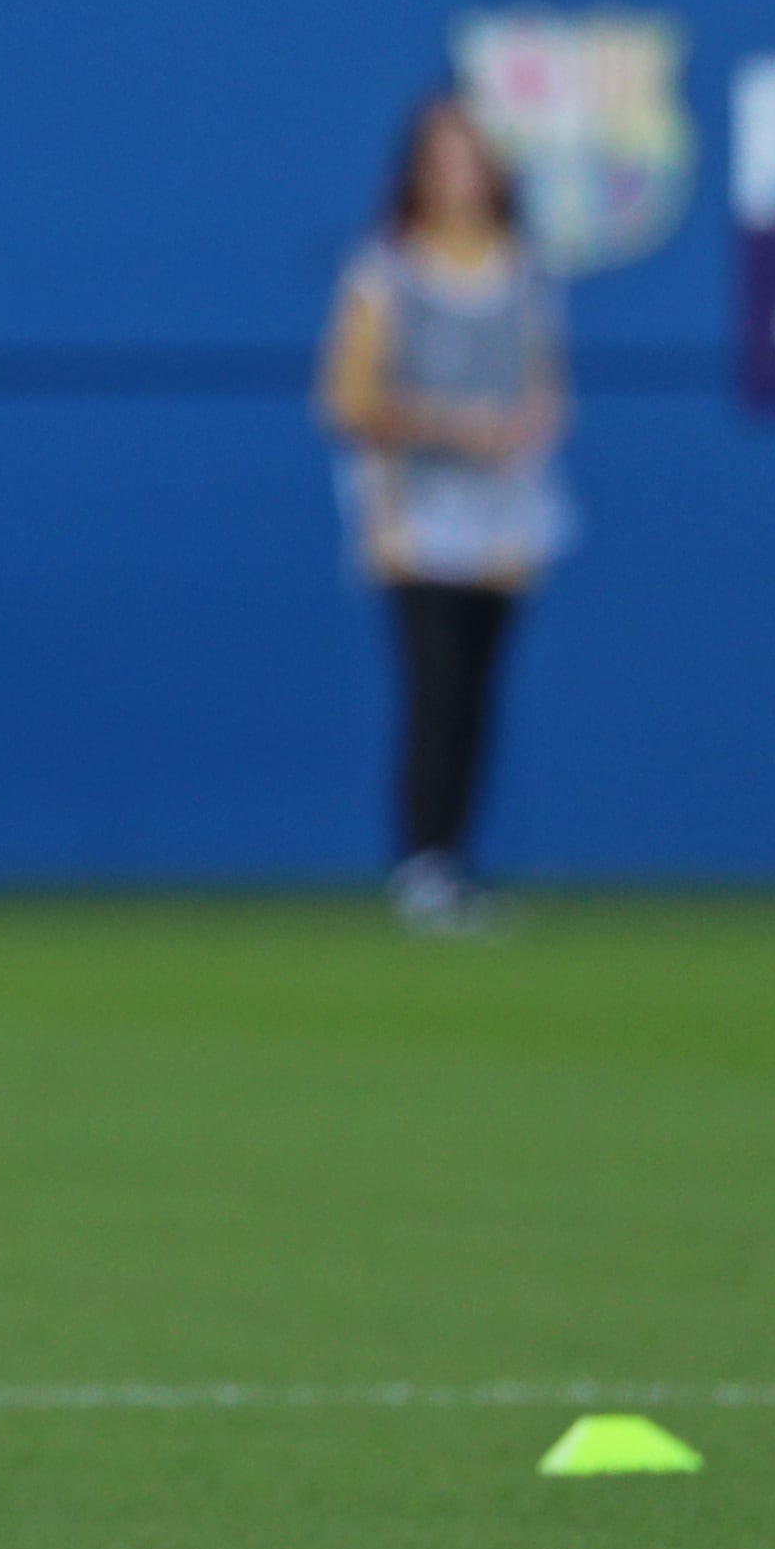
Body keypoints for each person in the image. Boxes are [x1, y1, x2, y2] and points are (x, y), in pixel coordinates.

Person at [317, 88, 567, 938]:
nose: (459, 176)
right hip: (415, 514)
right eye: (443, 159)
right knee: (431, 688)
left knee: (476, 694)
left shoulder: (523, 267)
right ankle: (422, 862)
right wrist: (453, 427)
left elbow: (544, 381)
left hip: (505, 515)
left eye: (472, 158)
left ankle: (456, 856)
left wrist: (526, 425)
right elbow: (346, 400)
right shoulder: (384, 270)